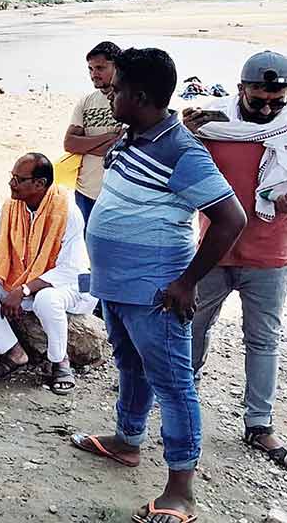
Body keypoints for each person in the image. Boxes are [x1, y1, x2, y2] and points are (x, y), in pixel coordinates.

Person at [72, 48, 246, 523]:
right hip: (117, 285)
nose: (110, 93)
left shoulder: (181, 150)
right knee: (129, 364)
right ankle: (127, 441)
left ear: (141, 95)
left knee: (173, 384)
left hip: (156, 290)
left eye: (118, 88)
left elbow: (231, 219)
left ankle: (181, 491)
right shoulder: (134, 135)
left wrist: (188, 282)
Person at [184, 51, 287, 469]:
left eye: (276, 100)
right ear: (240, 88)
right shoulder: (212, 125)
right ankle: (181, 403)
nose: (266, 108)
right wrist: (184, 130)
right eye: (257, 98)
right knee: (192, 329)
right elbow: (177, 163)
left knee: (263, 342)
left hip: (270, 255)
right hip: (213, 253)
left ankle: (259, 425)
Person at [0, 154, 95, 395]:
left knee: (46, 299)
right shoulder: (10, 206)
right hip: (21, 279)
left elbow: (70, 268)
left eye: (18, 179)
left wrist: (23, 289)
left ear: (39, 184)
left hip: (70, 284)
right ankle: (13, 352)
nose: (11, 184)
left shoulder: (67, 210)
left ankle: (60, 361)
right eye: (12, 177)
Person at [62, 41, 123, 225]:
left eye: (100, 68)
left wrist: (86, 145)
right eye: (90, 69)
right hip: (85, 190)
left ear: (117, 66)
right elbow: (69, 144)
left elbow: (122, 148)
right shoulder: (86, 101)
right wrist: (109, 137)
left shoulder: (128, 100)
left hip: (117, 193)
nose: (94, 74)